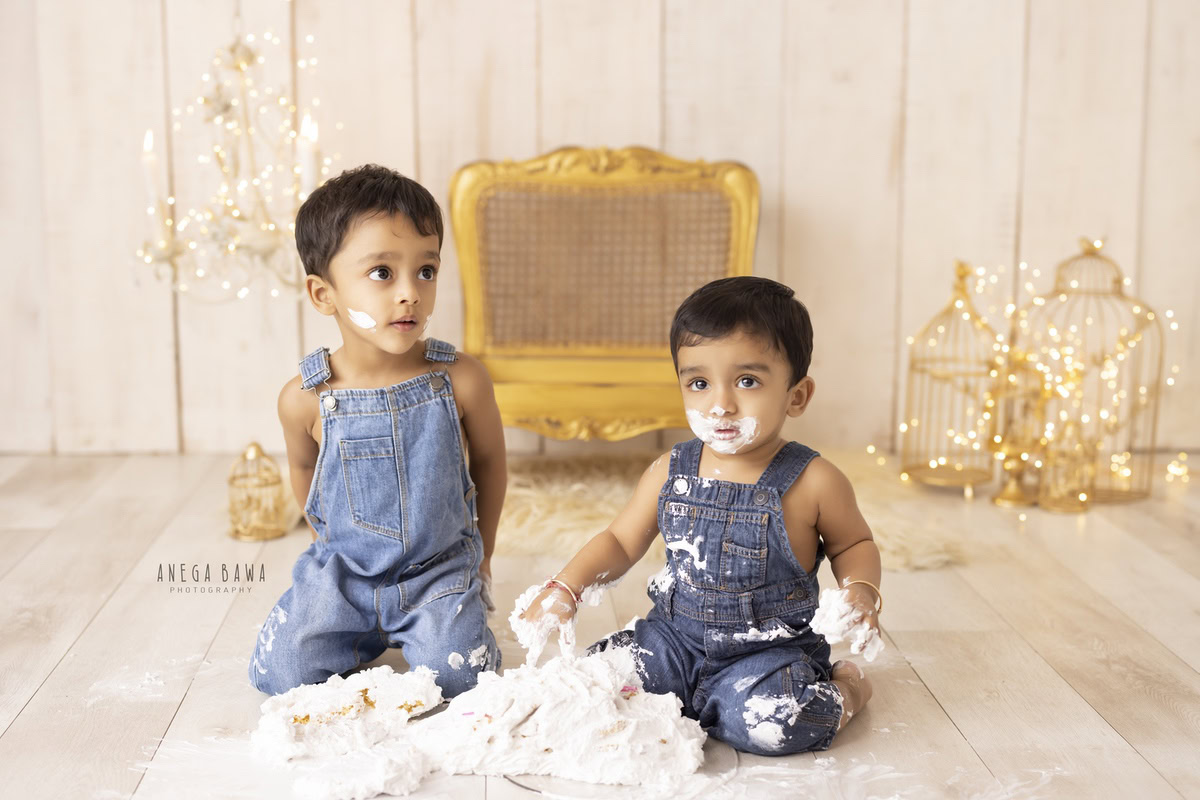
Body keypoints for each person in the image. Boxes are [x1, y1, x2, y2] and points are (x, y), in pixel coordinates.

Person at [519, 276, 881, 754]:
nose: (721, 404)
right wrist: (566, 586)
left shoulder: (814, 480)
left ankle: (848, 688)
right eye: (699, 383)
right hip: (673, 640)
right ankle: (698, 701)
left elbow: (853, 543)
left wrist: (861, 591)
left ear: (796, 395)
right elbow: (621, 541)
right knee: (593, 684)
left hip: (766, 655)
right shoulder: (671, 470)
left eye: (747, 381)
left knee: (779, 723)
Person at [248, 164, 506, 698]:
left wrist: (483, 555)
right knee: (280, 674)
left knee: (462, 677)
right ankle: (358, 630)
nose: (410, 293)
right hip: (344, 573)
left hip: (437, 572)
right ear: (324, 294)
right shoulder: (305, 398)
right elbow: (304, 468)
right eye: (383, 273)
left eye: (426, 270)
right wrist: (323, 543)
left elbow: (490, 463)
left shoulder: (460, 379)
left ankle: (429, 623)